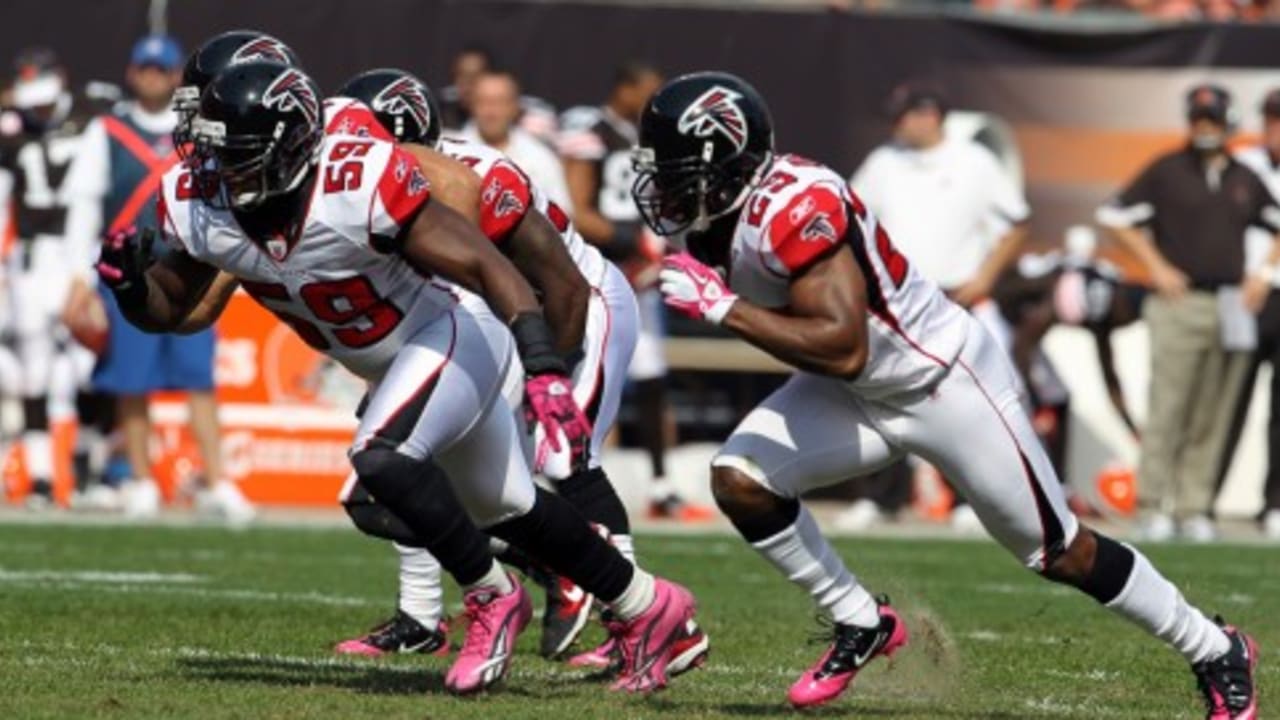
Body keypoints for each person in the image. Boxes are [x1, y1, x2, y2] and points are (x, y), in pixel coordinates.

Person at [637, 70, 1258, 717]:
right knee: (741, 478)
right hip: (856, 389)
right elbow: (838, 356)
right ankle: (860, 621)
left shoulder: (796, 206)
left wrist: (722, 307)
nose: (663, 188)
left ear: (727, 158)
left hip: (941, 383)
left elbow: (842, 342)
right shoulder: (710, 219)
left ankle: (1216, 648)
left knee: (1059, 552)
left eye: (675, 170)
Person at [102, 58, 699, 695]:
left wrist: (545, 367)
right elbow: (171, 310)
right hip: (392, 358)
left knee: (381, 459)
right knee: (508, 506)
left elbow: (487, 268)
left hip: (447, 330)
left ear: (291, 145)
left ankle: (491, 599)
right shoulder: (201, 202)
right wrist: (137, 290)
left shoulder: (354, 179)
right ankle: (651, 608)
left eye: (241, 154)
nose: (221, 171)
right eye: (216, 152)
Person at [330, 67, 708, 667]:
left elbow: (561, 289)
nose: (337, 155)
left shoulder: (475, 179)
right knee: (395, 476)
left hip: (576, 303)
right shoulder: (350, 190)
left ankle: (635, 619)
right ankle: (425, 614)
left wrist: (544, 375)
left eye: (354, 140)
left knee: (563, 457)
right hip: (486, 318)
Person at [60, 35, 252, 522]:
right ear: (132, 73)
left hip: (191, 268)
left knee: (199, 378)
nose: (151, 76)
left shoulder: (200, 129)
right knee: (132, 380)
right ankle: (141, 480)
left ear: (175, 77)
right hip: (131, 269)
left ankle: (216, 481)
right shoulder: (107, 131)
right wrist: (77, 280)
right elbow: (84, 207)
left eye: (160, 69)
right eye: (143, 68)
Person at [1098, 84, 1280, 543]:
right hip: (1179, 303)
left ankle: (1195, 506)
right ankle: (1153, 503)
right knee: (1169, 406)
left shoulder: (1243, 176)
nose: (1205, 127)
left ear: (1228, 122)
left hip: (1231, 303)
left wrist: (1263, 274)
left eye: (1213, 119)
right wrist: (1156, 267)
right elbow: (1114, 216)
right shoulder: (1167, 170)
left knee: (1213, 411)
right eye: (1198, 118)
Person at [849, 82, 1032, 533]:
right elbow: (850, 219)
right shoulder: (882, 163)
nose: (899, 124)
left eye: (906, 114)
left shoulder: (975, 162)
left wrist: (985, 277)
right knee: (885, 398)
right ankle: (882, 497)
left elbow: (1017, 224)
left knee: (976, 406)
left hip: (959, 301)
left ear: (931, 115)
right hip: (898, 306)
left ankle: (972, 500)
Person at [559, 61, 710, 521]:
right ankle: (563, 474)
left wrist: (658, 247)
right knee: (581, 374)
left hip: (639, 277)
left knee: (651, 381)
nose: (653, 99)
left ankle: (661, 485)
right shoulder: (592, 134)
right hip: (598, 271)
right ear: (623, 88)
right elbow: (578, 210)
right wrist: (632, 242)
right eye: (646, 91)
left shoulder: (649, 138)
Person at [0, 47, 100, 509]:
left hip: (83, 251)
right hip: (32, 258)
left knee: (86, 364)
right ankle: (41, 478)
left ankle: (86, 466)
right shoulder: (12, 129)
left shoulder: (91, 115)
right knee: (34, 372)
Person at [1221, 86, 1280, 541]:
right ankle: (1201, 501)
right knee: (1225, 401)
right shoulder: (1242, 164)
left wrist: (1265, 272)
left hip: (1274, 293)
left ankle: (1275, 502)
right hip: (1239, 298)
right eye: (1272, 119)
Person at [462, 70, 571, 210]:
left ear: (515, 107)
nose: (491, 112)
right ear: (471, 105)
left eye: (500, 102)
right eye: (483, 102)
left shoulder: (540, 157)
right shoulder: (447, 153)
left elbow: (562, 215)